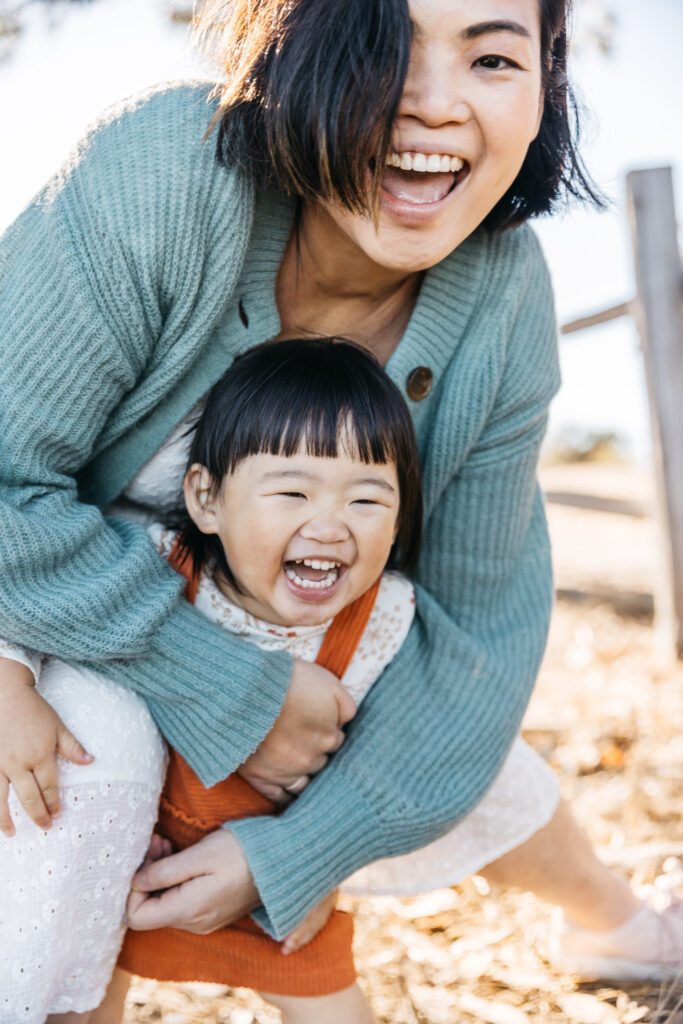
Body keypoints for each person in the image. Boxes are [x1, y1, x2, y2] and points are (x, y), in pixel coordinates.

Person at [0, 1, 680, 1019]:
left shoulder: (499, 300)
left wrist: (297, 853)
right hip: (45, 636)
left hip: (310, 672)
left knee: (415, 727)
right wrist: (230, 689)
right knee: (85, 773)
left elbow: (472, 654)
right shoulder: (162, 174)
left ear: (542, 78)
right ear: (294, 43)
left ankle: (614, 924)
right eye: (385, 43)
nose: (435, 104)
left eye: (491, 55)